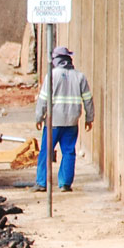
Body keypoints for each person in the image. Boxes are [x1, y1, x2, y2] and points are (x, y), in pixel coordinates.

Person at [34, 46, 94, 192]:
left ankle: (42, 183)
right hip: (72, 121)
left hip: (54, 121)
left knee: (46, 151)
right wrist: (89, 118)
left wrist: (39, 117)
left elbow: (43, 99)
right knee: (68, 151)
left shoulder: (51, 76)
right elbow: (88, 100)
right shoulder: (80, 77)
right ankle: (65, 184)